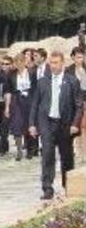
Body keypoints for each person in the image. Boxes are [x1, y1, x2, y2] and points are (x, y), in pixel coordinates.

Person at [29, 51, 84, 200]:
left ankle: (68, 186)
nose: (53, 66)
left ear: (62, 64)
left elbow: (79, 105)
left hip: (65, 124)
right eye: (51, 63)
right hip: (46, 122)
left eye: (56, 63)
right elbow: (35, 104)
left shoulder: (72, 81)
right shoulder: (42, 81)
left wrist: (75, 124)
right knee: (47, 154)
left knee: (66, 157)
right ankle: (47, 188)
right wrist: (32, 124)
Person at [3, 54, 35, 161]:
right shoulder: (11, 74)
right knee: (17, 125)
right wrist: (7, 107)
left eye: (21, 62)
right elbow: (7, 91)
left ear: (25, 62)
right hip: (16, 101)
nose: (19, 64)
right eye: (17, 62)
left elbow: (36, 90)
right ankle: (19, 150)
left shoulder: (31, 73)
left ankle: (30, 150)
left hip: (29, 100)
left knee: (28, 124)